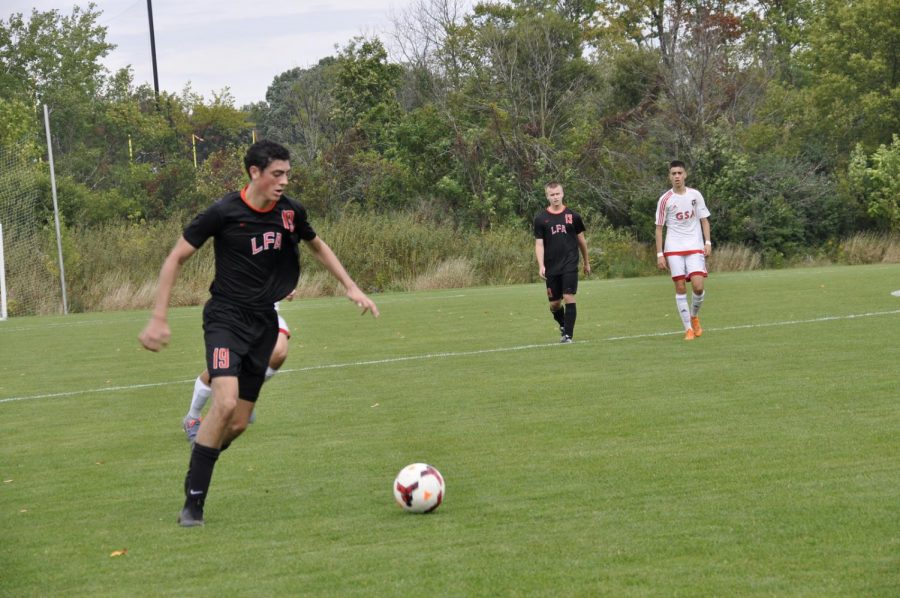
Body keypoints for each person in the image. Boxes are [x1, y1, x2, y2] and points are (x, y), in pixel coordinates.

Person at [138, 139, 379, 527]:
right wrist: (158, 316)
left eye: (287, 174)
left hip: (264, 322)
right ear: (255, 172)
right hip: (225, 319)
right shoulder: (222, 212)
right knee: (226, 403)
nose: (283, 181)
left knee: (235, 424)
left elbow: (318, 247)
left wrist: (350, 286)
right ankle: (194, 502)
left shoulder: (290, 212)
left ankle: (203, 459)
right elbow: (175, 258)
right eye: (276, 174)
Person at [181, 303, 292, 442]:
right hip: (233, 313)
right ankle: (192, 417)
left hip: (267, 314)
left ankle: (242, 395)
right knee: (222, 367)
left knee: (279, 352)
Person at [655, 160, 711, 340]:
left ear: (685, 174)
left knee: (698, 286)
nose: (677, 176)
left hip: (695, 246)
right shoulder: (665, 200)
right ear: (669, 176)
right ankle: (688, 328)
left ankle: (694, 316)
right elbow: (658, 228)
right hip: (674, 248)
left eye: (679, 173)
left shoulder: (695, 195)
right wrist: (660, 254)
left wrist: (708, 242)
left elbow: (704, 220)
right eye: (673, 173)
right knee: (680, 287)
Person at [533, 181, 590, 343]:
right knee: (555, 304)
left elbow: (582, 241)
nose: (555, 197)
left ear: (563, 194)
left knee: (568, 295)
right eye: (552, 195)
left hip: (570, 263)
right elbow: (539, 244)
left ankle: (568, 336)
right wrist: (541, 265)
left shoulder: (573, 216)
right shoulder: (540, 219)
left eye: (558, 193)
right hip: (552, 266)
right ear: (547, 196)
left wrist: (586, 262)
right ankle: (564, 324)